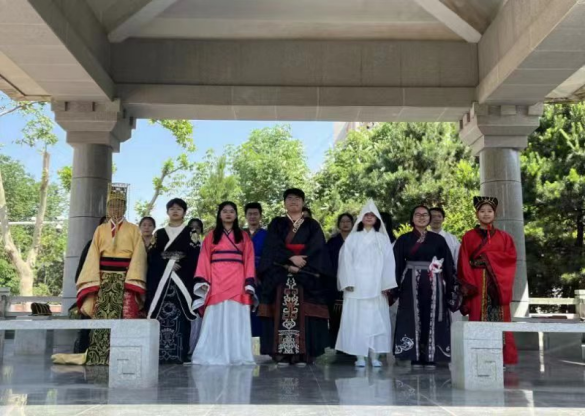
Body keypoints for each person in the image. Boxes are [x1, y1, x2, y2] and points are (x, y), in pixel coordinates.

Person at [57, 184, 147, 366]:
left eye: (119, 205)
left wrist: (132, 278)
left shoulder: (133, 229)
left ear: (125, 207)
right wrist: (93, 279)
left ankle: (123, 355)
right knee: (100, 318)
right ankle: (99, 354)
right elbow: (92, 256)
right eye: (112, 205)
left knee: (125, 316)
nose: (116, 209)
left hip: (124, 279)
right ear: (107, 208)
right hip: (104, 280)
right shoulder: (100, 230)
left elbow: (139, 256)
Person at [258, 188, 332, 367]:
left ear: (303, 202)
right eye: (289, 198)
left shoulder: (312, 225)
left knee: (305, 313)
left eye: (298, 198)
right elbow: (272, 246)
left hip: (306, 274)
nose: (293, 201)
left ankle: (303, 355)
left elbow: (317, 247)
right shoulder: (277, 223)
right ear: (284, 203)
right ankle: (282, 354)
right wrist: (290, 258)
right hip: (280, 273)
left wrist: (301, 263)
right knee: (280, 312)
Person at [392, 205, 459, 369]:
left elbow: (448, 264)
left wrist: (451, 286)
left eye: (425, 215)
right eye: (417, 214)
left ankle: (431, 356)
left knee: (432, 316)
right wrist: (394, 286)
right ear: (412, 218)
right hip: (410, 283)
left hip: (434, 283)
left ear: (429, 219)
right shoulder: (403, 240)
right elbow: (396, 264)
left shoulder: (438, 240)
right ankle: (414, 356)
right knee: (412, 317)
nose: (421, 217)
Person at [191, 201, 256, 365]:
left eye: (231, 211)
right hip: (216, 278)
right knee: (215, 314)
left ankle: (237, 354)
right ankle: (212, 352)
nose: (228, 214)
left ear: (236, 215)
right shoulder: (211, 235)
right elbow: (204, 258)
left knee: (236, 315)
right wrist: (204, 279)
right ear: (220, 215)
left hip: (238, 279)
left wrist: (249, 281)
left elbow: (249, 259)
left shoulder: (244, 236)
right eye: (225, 211)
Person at [336, 200, 396, 367]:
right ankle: (360, 357)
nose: (369, 217)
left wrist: (386, 284)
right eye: (366, 215)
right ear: (361, 218)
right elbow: (345, 260)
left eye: (372, 215)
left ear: (377, 219)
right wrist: (347, 281)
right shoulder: (353, 238)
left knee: (377, 320)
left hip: (377, 286)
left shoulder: (382, 239)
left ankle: (374, 356)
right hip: (356, 286)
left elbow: (389, 262)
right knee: (357, 321)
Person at [458, 196, 518, 365]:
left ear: (495, 214)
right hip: (477, 281)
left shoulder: (505, 237)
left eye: (489, 211)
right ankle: (478, 357)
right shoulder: (469, 236)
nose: (486, 214)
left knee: (501, 319)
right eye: (482, 211)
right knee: (478, 316)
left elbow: (511, 258)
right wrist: (469, 286)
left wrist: (488, 258)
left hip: (499, 284)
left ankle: (502, 359)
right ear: (477, 214)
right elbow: (463, 262)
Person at [146, 198, 200, 364]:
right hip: (162, 281)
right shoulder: (159, 233)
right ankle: (160, 354)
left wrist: (178, 265)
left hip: (182, 279)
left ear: (184, 212)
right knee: (161, 316)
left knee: (181, 316)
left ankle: (180, 354)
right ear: (167, 212)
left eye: (179, 209)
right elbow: (152, 255)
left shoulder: (191, 232)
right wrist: (168, 264)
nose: (175, 211)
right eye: (172, 208)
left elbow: (195, 256)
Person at [325, 213, 354, 349]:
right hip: (334, 282)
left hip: (354, 283)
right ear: (338, 224)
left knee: (352, 315)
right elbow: (327, 262)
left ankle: (352, 345)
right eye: (342, 221)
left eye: (348, 221)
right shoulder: (332, 242)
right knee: (336, 315)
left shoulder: (357, 240)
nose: (345, 224)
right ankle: (337, 345)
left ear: (353, 224)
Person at [244, 202, 268, 338]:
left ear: (260, 216)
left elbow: (270, 256)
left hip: (262, 278)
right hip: (242, 277)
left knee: (260, 309)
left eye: (255, 214)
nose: (252, 216)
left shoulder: (267, 235)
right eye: (250, 214)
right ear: (245, 216)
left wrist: (259, 273)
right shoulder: (239, 234)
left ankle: (259, 342)